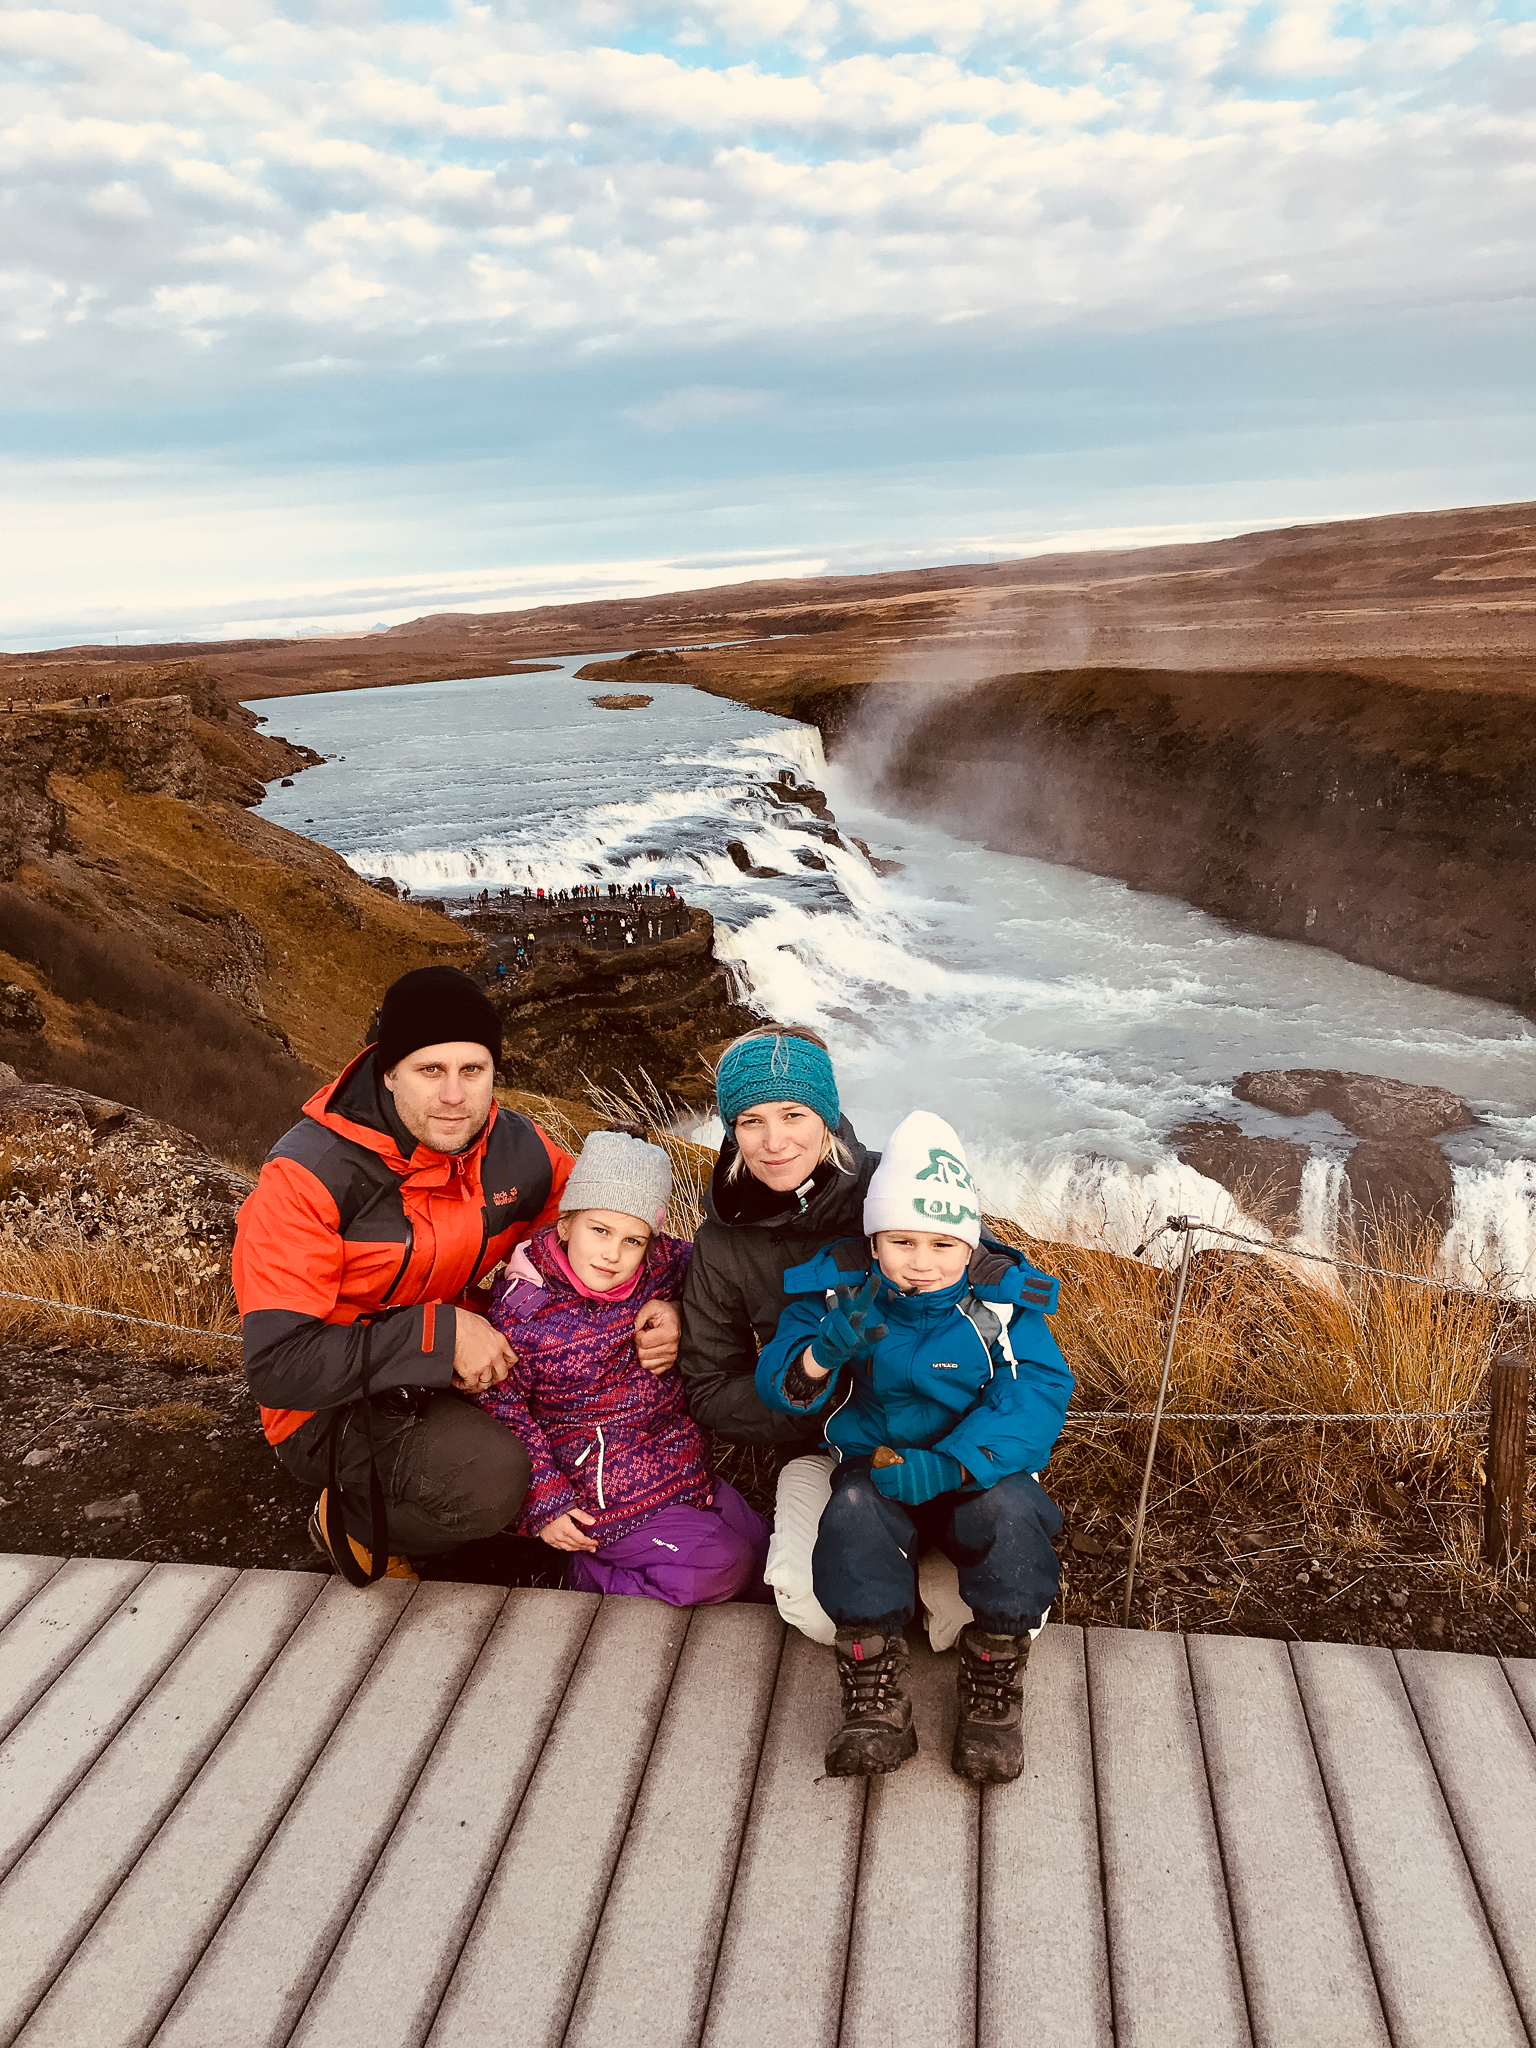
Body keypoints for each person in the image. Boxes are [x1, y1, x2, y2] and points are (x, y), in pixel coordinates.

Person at [232, 966, 681, 1583]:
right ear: (388, 1072)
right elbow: (280, 1368)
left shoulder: (517, 1150)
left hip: (460, 1370)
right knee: (491, 1483)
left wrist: (666, 1302)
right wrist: (440, 1337)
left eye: (473, 1070)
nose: (453, 1095)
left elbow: (603, 1231)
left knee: (581, 1418)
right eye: (429, 1070)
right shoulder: (307, 1178)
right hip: (332, 1405)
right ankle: (352, 1522)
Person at [756, 1111, 1072, 1784]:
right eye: (902, 1241)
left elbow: (1035, 1395)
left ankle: (992, 1688)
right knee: (853, 1516)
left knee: (1012, 1516)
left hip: (973, 1474)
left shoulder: (1003, 1306)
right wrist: (818, 1356)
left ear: (969, 1244)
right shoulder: (839, 1293)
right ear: (875, 1242)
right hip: (878, 1468)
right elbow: (780, 1383)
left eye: (942, 1244)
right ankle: (877, 1701)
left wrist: (953, 1464)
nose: (921, 1262)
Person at [680, 1026, 907, 1644]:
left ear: (826, 1116)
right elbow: (709, 1387)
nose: (774, 1142)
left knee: (981, 1610)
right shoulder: (723, 1240)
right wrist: (814, 1401)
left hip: (934, 1434)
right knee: (814, 1610)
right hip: (817, 1448)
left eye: (793, 1114)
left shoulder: (897, 1188)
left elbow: (989, 1312)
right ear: (732, 1130)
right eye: (751, 1121)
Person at [480, 1129, 769, 1605]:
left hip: (682, 1469)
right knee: (723, 1568)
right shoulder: (525, 1314)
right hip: (599, 1500)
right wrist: (545, 1503)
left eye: (632, 1239)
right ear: (566, 1224)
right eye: (599, 1230)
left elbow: (716, 1272)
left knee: (769, 1563)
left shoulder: (662, 1268)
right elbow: (502, 1410)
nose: (613, 1254)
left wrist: (679, 1310)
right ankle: (583, 1577)